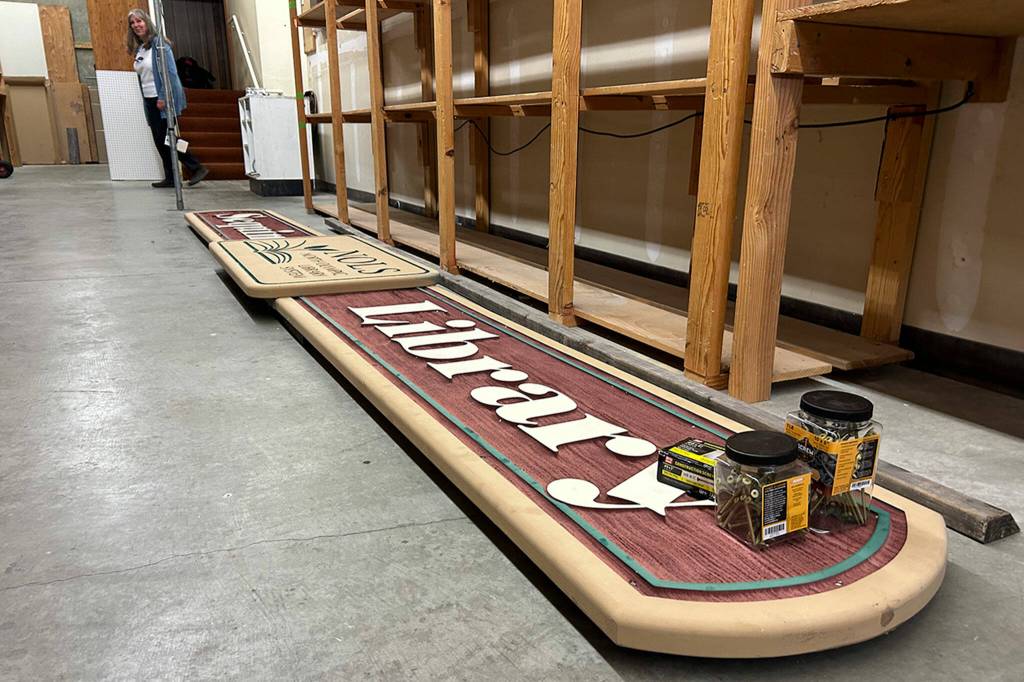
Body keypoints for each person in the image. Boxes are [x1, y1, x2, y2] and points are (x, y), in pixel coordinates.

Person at [127, 9, 208, 188]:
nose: (136, 25)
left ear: (147, 22)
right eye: (133, 23)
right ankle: (172, 177)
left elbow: (170, 72)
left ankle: (196, 166)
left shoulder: (159, 44)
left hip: (161, 97)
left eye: (139, 21)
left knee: (168, 137)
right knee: (159, 139)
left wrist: (164, 96)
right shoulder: (140, 49)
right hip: (149, 99)